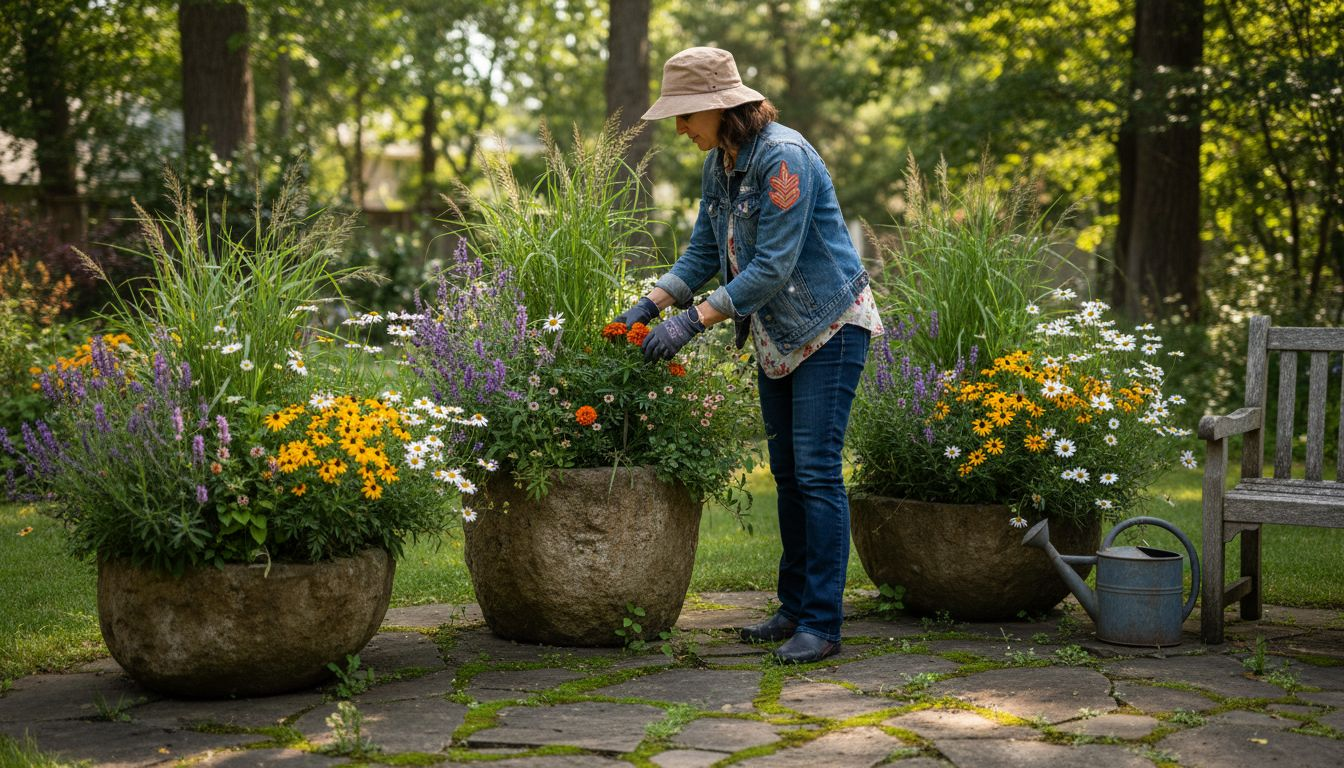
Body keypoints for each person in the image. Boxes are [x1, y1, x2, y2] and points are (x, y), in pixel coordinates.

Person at [613, 46, 883, 663]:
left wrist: (693, 321)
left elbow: (772, 267)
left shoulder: (784, 158)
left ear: (716, 105)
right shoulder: (722, 163)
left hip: (828, 326)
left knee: (816, 471)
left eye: (685, 116)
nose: (679, 128)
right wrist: (650, 305)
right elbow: (703, 253)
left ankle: (822, 622)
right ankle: (793, 608)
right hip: (779, 335)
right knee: (789, 475)